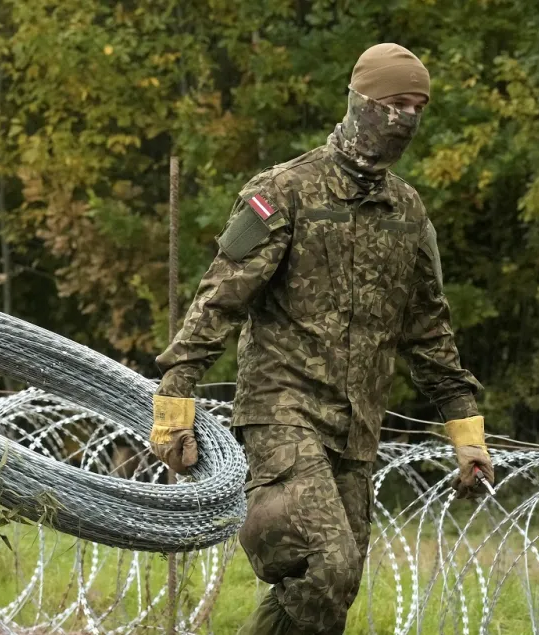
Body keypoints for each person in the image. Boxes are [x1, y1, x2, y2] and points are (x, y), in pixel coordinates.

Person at [149, 43, 496, 634]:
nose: (404, 118)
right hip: (283, 413)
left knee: (326, 590)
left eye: (417, 106)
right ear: (360, 102)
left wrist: (465, 431)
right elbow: (221, 297)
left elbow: (431, 332)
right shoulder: (285, 191)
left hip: (356, 429)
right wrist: (175, 396)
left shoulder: (407, 212)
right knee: (327, 564)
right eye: (392, 103)